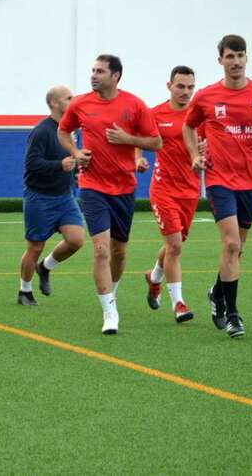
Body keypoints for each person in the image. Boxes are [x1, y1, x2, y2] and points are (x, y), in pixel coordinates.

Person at [183, 34, 252, 338]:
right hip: (218, 179)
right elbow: (188, 126)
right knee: (230, 244)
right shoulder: (206, 96)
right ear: (221, 61)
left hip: (250, 180)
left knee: (238, 248)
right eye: (230, 56)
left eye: (240, 55)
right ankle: (233, 315)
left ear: (246, 58)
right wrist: (194, 155)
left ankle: (217, 292)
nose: (236, 62)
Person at [58, 54, 162, 334]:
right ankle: (109, 311)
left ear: (115, 76)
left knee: (119, 251)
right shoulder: (80, 103)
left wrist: (128, 140)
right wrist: (76, 152)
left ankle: (111, 292)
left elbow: (156, 142)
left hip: (124, 188)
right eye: (92, 70)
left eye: (100, 71)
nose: (93, 75)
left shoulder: (135, 104)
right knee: (101, 250)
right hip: (92, 185)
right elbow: (63, 131)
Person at [137, 66, 200, 323]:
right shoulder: (155, 114)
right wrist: (138, 159)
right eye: (180, 86)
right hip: (163, 190)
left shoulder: (199, 115)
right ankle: (179, 304)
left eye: (190, 87)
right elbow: (140, 140)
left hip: (190, 191)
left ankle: (154, 279)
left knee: (173, 245)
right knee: (174, 246)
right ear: (169, 86)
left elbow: (206, 145)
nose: (185, 92)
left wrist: (205, 149)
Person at [18, 86, 84, 306]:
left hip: (65, 197)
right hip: (39, 197)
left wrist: (77, 170)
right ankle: (24, 291)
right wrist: (59, 165)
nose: (73, 101)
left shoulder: (71, 130)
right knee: (35, 247)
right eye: (68, 98)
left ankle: (45, 267)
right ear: (54, 103)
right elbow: (31, 164)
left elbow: (72, 161)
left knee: (76, 240)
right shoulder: (42, 131)